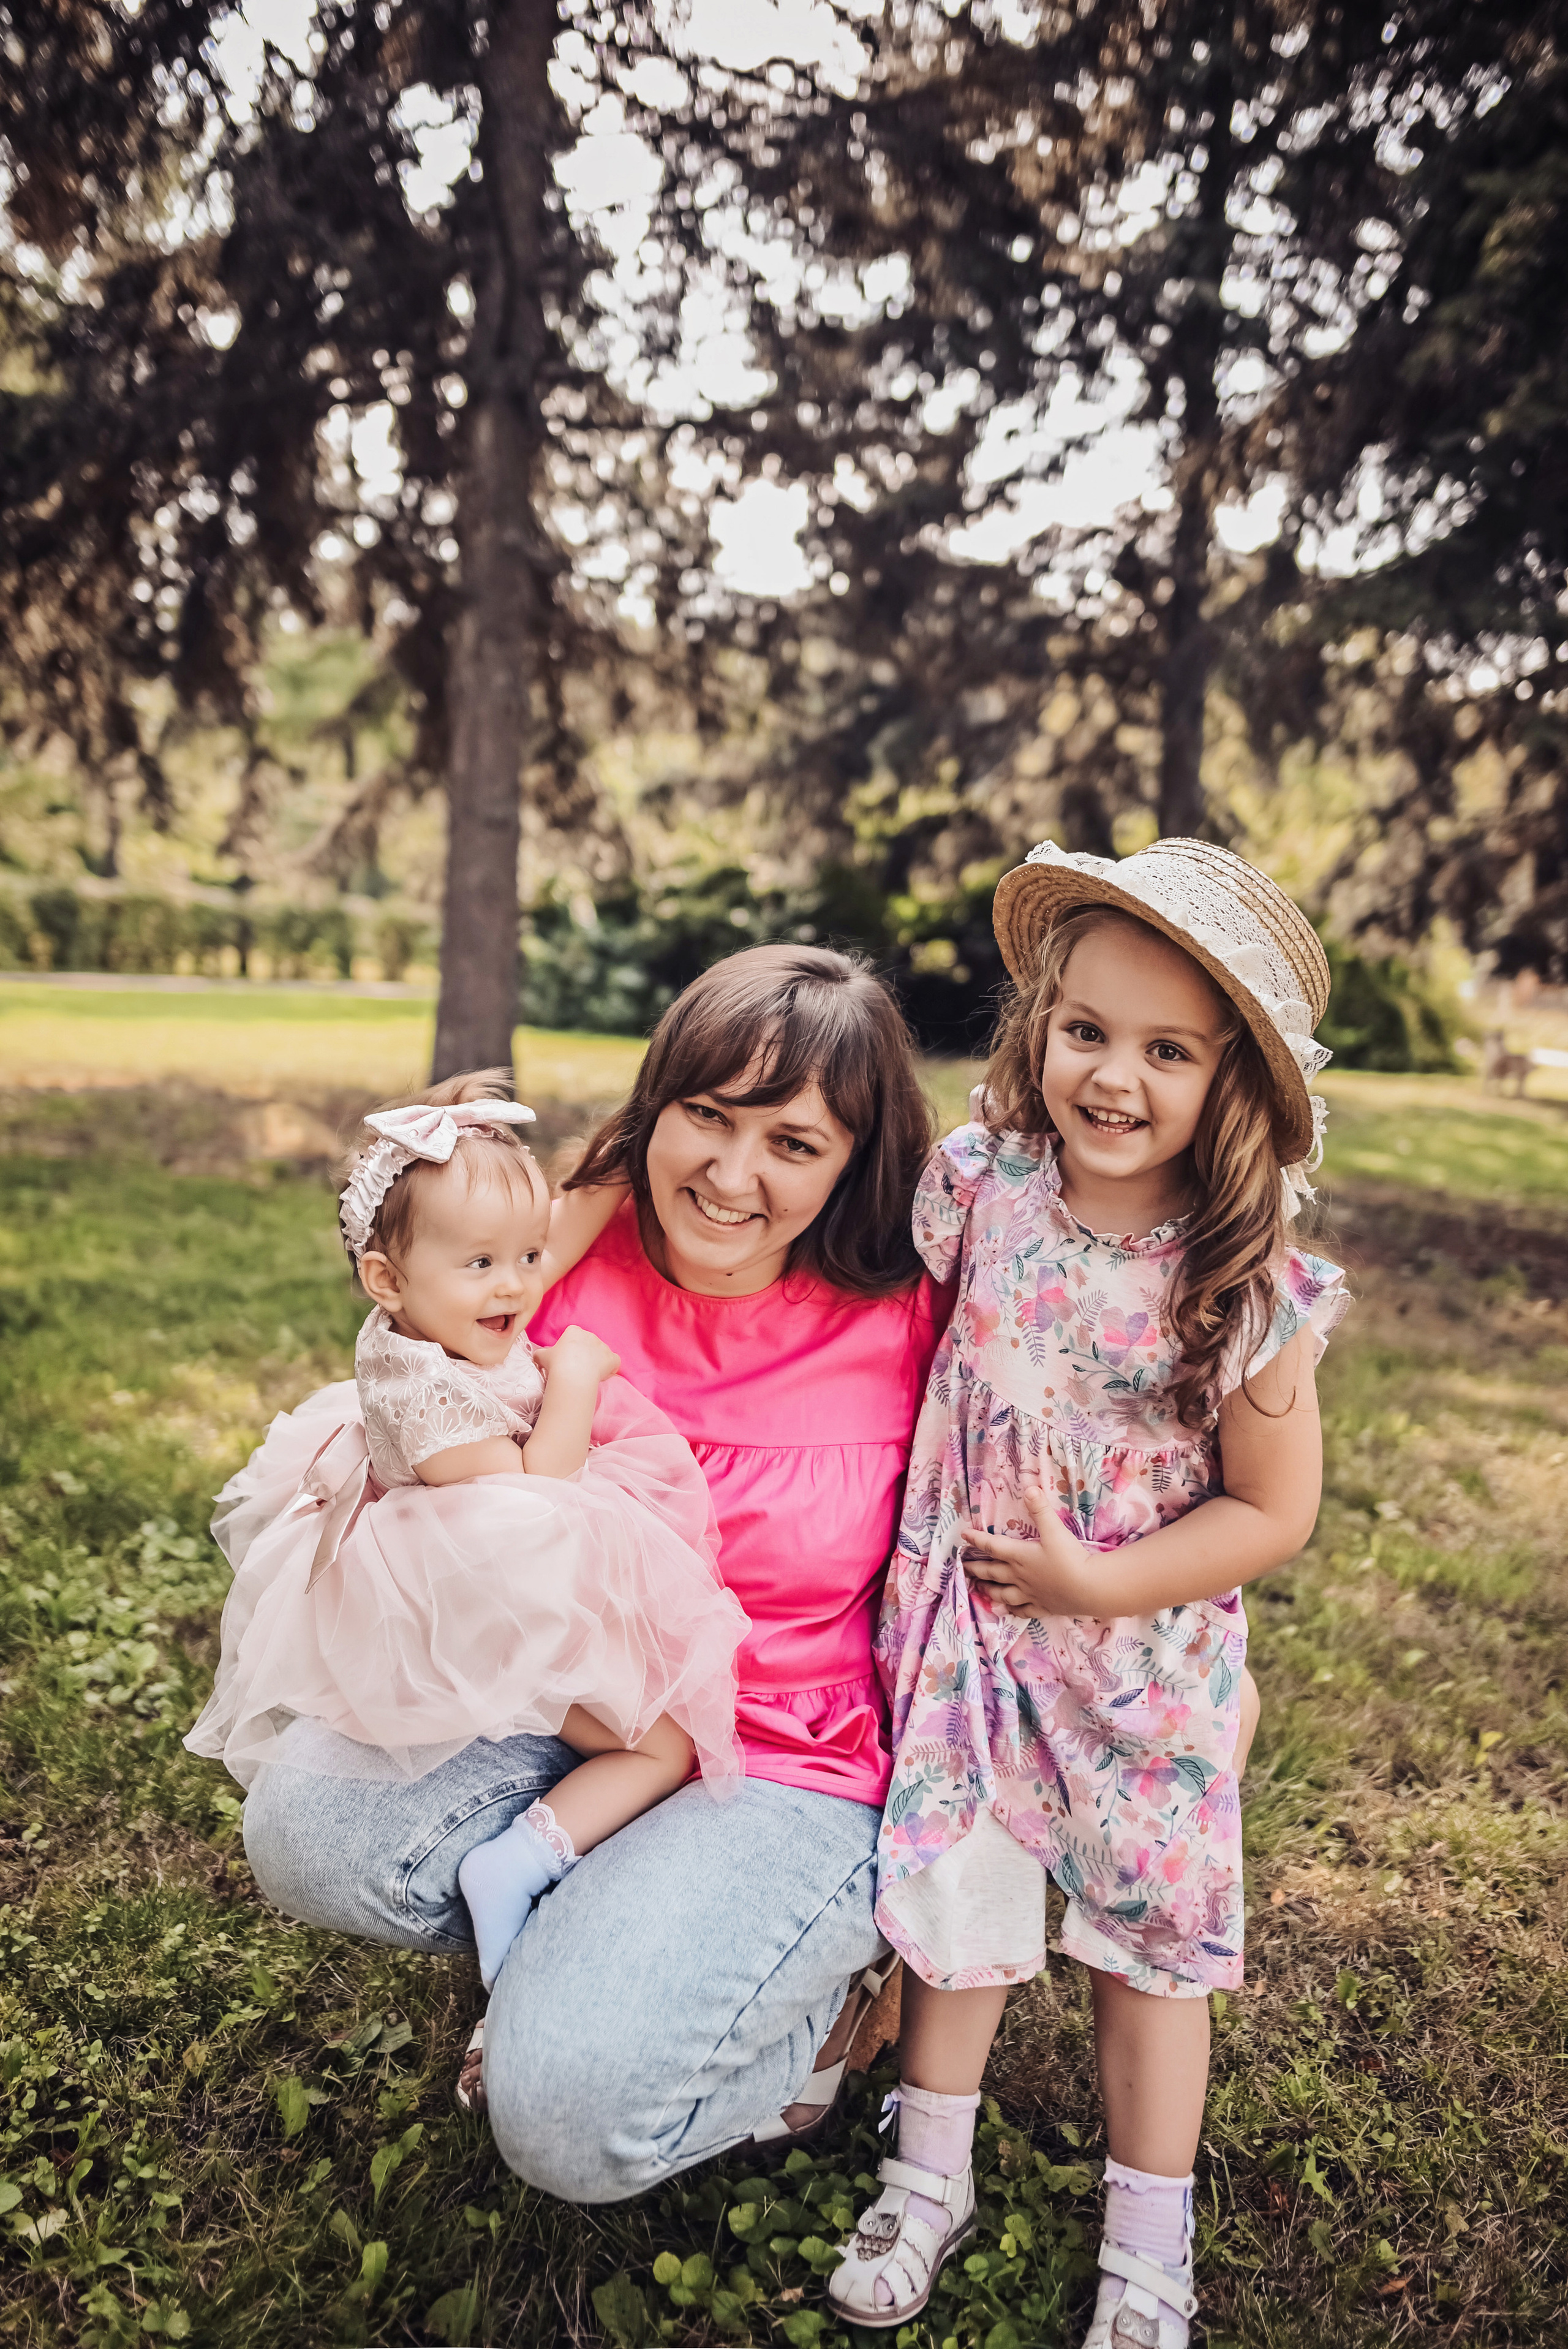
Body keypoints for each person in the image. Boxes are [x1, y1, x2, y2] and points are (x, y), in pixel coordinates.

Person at [238, 944, 947, 2191]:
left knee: (562, 2120)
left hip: (786, 1757)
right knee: (305, 1823)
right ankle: (607, 1918)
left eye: (792, 1143)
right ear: (655, 1109)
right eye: (707, 1116)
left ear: (853, 1160)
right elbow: (435, 1323)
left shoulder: (916, 1314)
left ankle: (815, 2010)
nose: (730, 1175)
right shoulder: (568, 1250)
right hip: (577, 1706)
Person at [827, 839, 1348, 2347]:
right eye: (1084, 1032)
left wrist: (1099, 1579)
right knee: (960, 1894)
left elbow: (1272, 1509)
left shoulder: (1239, 1281)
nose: (1112, 1078)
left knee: (1150, 1947)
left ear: (1232, 1081)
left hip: (1135, 1653)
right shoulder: (982, 1186)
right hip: (975, 1628)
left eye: (1166, 1051)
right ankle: (926, 2178)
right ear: (1037, 1029)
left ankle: (1145, 2246)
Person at [186, 1074, 750, 1993]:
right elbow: (540, 1487)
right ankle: (521, 1863)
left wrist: (633, 1142)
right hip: (486, 1623)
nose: (521, 1282)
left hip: (488, 1596)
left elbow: (540, 1235)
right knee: (663, 1746)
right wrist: (574, 1377)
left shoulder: (436, 1315)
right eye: (485, 1262)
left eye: (528, 1254)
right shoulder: (426, 1397)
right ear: (386, 1279)